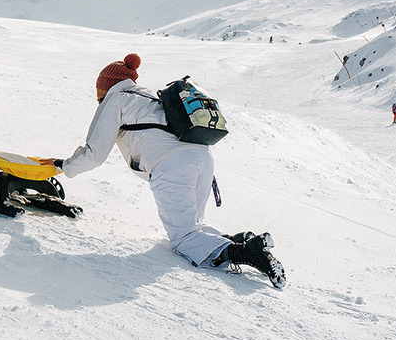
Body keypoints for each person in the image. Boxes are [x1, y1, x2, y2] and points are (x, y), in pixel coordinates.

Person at [41, 53, 286, 288]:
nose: (96, 95)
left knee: (184, 238)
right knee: (194, 226)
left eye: (98, 89)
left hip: (172, 165)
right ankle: (242, 239)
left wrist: (63, 166)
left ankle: (246, 253)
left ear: (107, 86)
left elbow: (94, 153)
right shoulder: (149, 97)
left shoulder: (115, 100)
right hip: (203, 157)